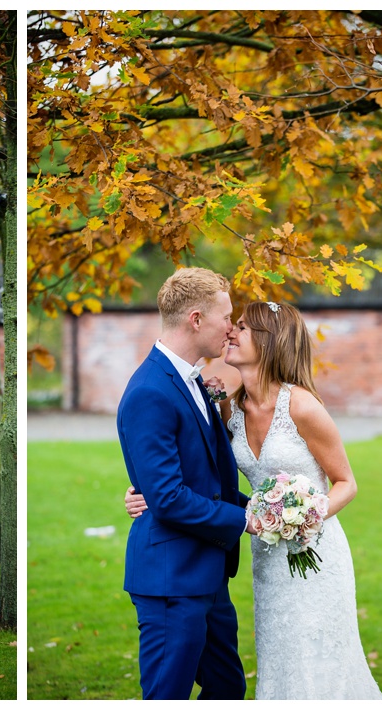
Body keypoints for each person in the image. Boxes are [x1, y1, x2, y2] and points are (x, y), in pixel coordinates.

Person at [126, 300, 382, 700]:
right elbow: (203, 475)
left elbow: (346, 482)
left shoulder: (302, 406)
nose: (230, 331)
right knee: (280, 656)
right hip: (268, 557)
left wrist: (304, 519)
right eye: (232, 323)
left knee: (318, 658)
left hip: (315, 551)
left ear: (269, 342)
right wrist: (144, 493)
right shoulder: (228, 407)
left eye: (241, 327)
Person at [117, 267, 255, 700]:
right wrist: (247, 518)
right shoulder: (149, 391)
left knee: (228, 688)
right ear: (196, 319)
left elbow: (205, 479)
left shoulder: (193, 380)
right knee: (167, 696)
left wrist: (279, 508)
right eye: (226, 316)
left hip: (208, 575)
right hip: (170, 580)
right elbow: (169, 497)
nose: (231, 327)